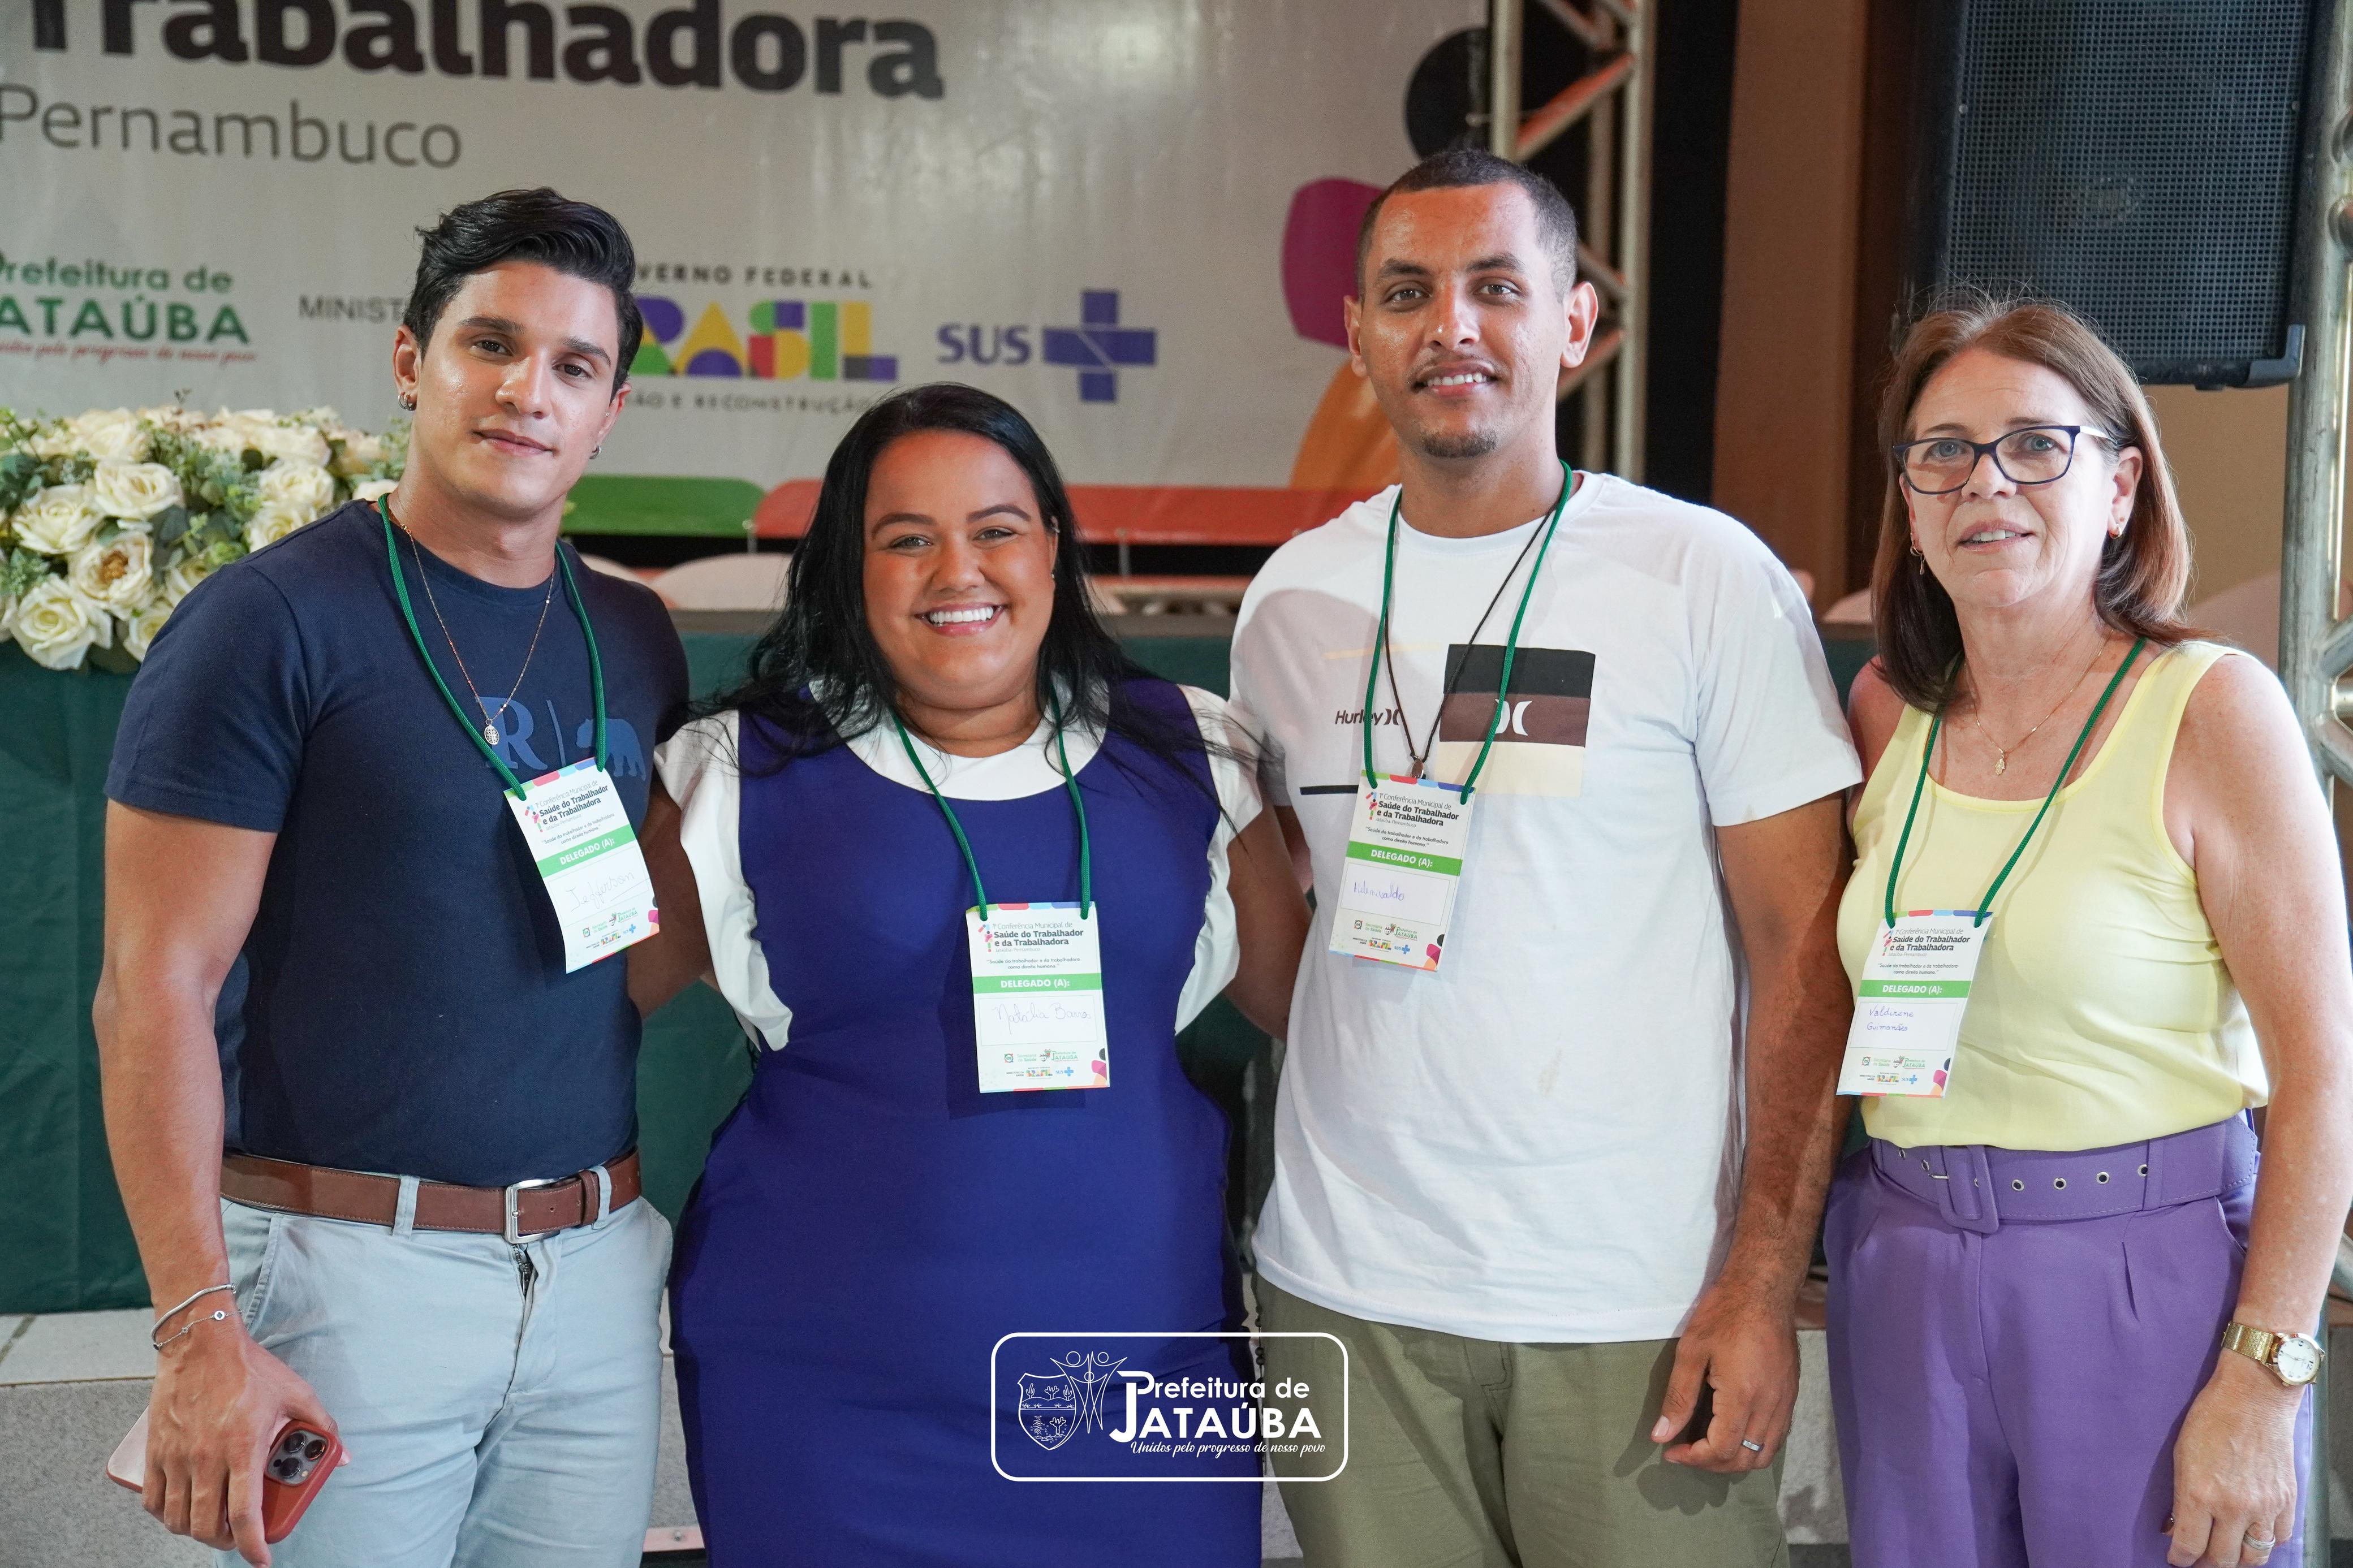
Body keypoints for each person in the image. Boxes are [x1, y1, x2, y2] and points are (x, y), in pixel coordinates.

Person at [1226, 146, 1861, 1566]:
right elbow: (1293, 951)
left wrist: (1763, 1279)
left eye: (1496, 287)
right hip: (1348, 1292)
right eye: (1407, 293)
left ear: (1574, 323)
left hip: (1634, 1303)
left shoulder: (1702, 577)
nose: (1449, 325)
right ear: (1357, 335)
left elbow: (1803, 953)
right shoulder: (1290, 601)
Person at [94, 189, 688, 1568]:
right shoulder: (267, 621)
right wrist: (197, 1330)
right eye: (491, 345)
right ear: (413, 360)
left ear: (609, 411)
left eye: (575, 365)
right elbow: (151, 987)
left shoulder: (634, 633)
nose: (528, 391)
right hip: (343, 1277)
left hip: (594, 1273)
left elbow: (631, 956)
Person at [627, 382, 1312, 1566]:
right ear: (848, 570)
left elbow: (1322, 1016)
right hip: (826, 1403)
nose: (959, 571)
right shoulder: (735, 770)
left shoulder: (1192, 750)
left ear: (1052, 543)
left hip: (1140, 1389)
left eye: (996, 528)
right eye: (906, 539)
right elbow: (557, 1026)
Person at [1829, 296, 2353, 1568]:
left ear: (2119, 487)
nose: (1984, 482)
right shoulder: (1886, 712)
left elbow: (2325, 1075)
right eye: (1943, 451)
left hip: (2142, 1278)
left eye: (2034, 445)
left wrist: (2266, 1373)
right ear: (1910, 503)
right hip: (1902, 1265)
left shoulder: (2213, 709)